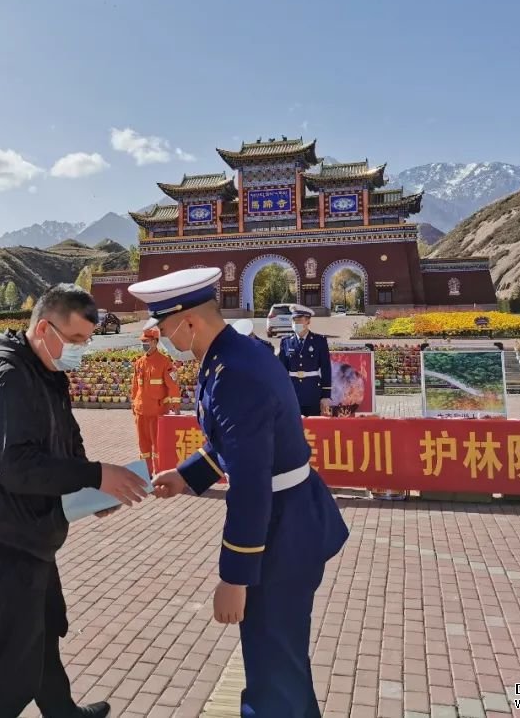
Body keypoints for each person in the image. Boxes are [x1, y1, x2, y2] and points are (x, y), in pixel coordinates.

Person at [129, 267, 349, 718]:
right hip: (292, 515)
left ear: (189, 322)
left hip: (280, 529)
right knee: (282, 661)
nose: (165, 339)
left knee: (271, 672)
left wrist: (235, 578)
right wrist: (189, 475)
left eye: (166, 329)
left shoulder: (235, 374)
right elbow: (237, 441)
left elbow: (250, 486)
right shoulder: (233, 353)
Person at [0, 284, 149, 718]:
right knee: (6, 670)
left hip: (34, 533)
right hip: (3, 541)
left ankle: (63, 712)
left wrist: (94, 492)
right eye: (76, 340)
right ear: (44, 327)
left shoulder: (46, 373)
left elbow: (67, 447)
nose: (82, 350)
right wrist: (98, 474)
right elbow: (18, 467)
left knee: (42, 637)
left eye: (87, 341)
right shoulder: (6, 377)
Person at [130, 326, 182, 476]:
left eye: (146, 341)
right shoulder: (139, 363)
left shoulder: (165, 362)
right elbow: (135, 386)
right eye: (143, 341)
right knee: (143, 446)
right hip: (141, 412)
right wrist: (133, 404)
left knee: (158, 446)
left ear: (155, 342)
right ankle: (147, 475)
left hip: (156, 412)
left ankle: (160, 474)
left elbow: (172, 386)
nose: (144, 344)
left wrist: (176, 407)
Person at [278, 305, 333, 416]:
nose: (296, 323)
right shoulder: (286, 342)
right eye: (294, 320)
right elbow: (281, 372)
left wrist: (326, 395)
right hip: (292, 393)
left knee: (314, 428)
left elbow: (326, 368)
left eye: (299, 319)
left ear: (308, 321)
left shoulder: (319, 341)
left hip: (312, 392)